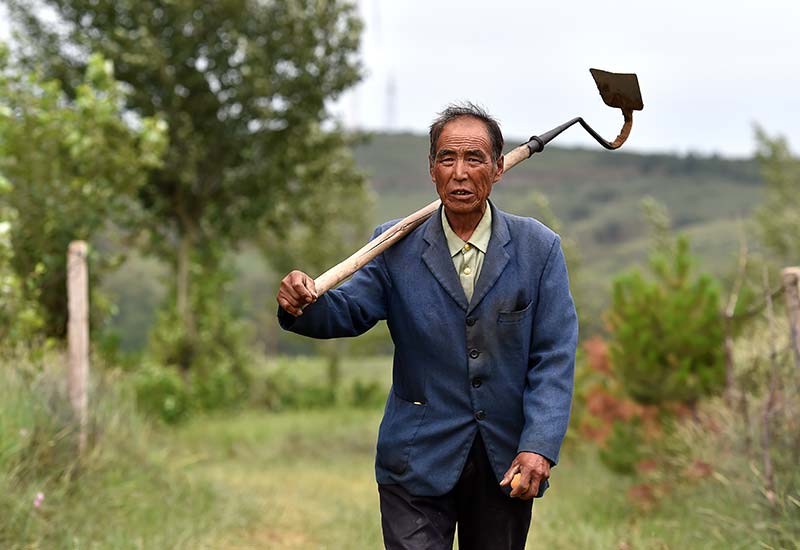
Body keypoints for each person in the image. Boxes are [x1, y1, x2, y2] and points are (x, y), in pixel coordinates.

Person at [276, 103, 578, 550]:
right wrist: (301, 303)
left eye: (474, 159)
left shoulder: (538, 249)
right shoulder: (394, 244)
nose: (459, 173)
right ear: (431, 170)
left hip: (505, 464)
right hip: (415, 459)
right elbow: (348, 310)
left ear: (497, 169)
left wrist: (539, 446)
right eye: (446, 159)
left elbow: (553, 356)